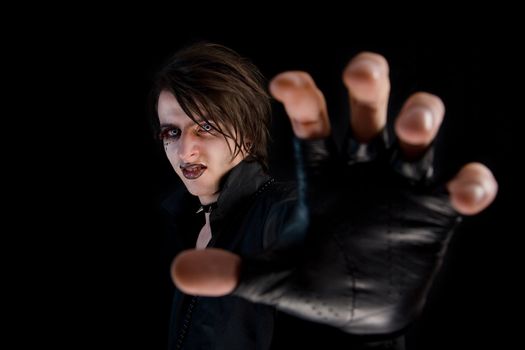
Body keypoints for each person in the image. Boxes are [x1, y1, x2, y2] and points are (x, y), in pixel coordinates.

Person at [151, 42, 498, 349]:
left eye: (206, 127)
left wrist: (372, 332)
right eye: (172, 131)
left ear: (247, 132)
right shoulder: (186, 223)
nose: (185, 151)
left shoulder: (281, 213)